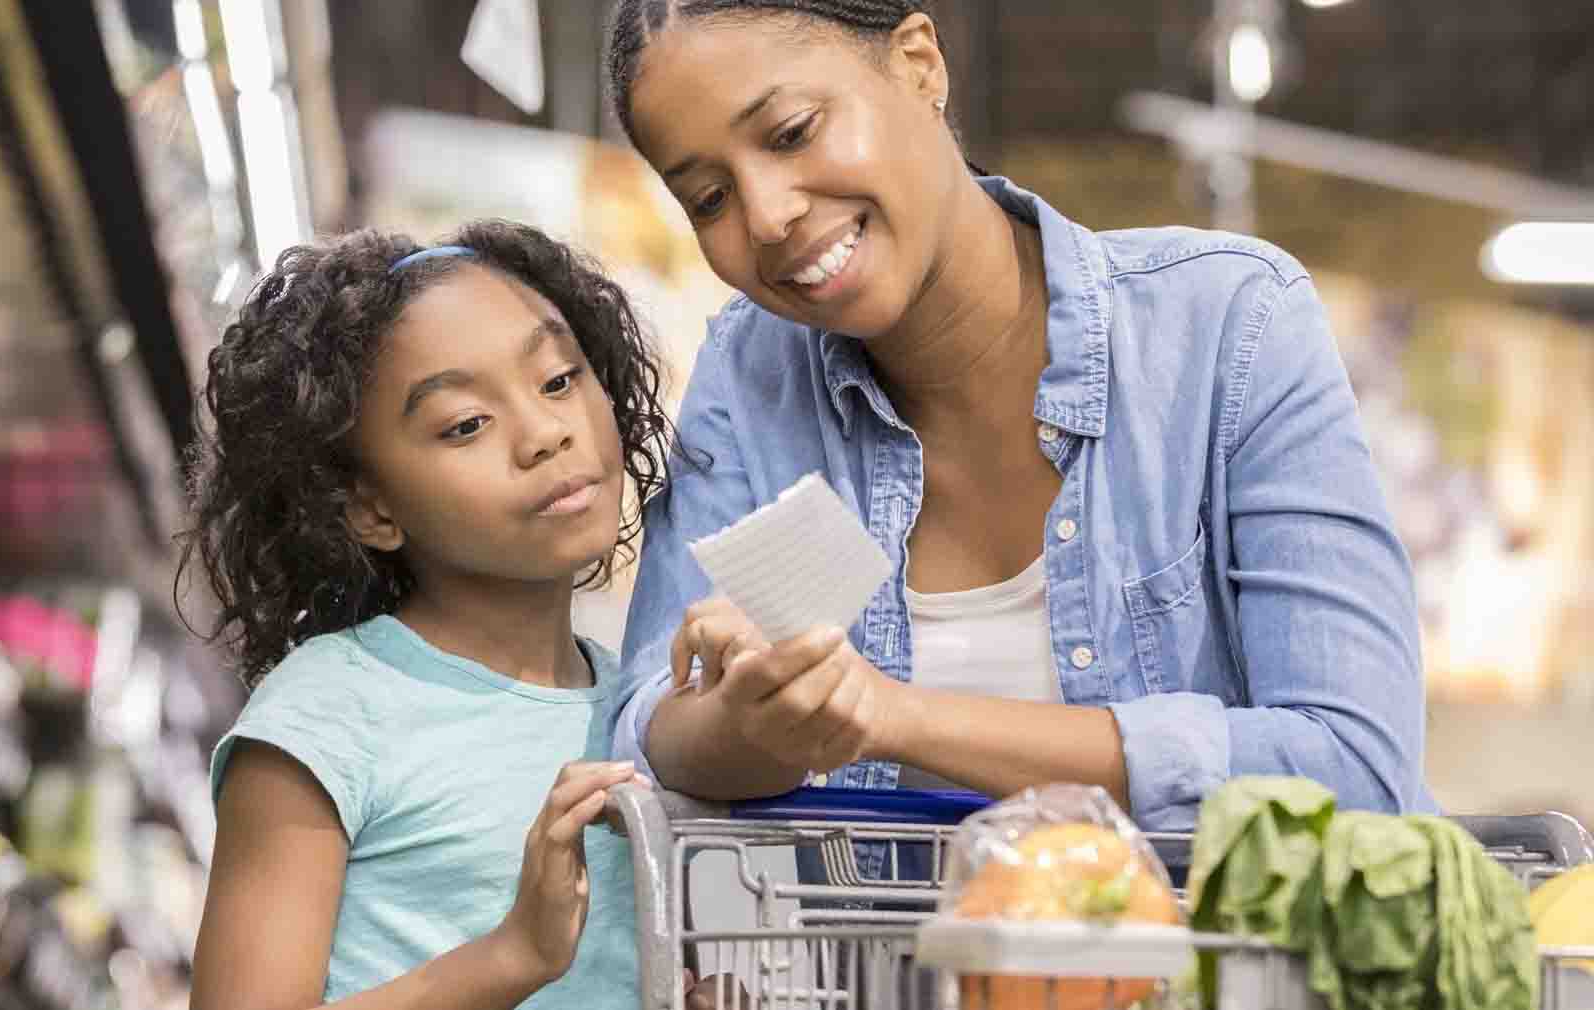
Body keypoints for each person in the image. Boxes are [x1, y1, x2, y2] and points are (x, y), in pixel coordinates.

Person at [599, 0, 1435, 834]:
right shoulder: (752, 377)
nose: (768, 215)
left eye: (790, 133)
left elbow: (1355, 768)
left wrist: (892, 715)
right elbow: (647, 728)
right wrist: (747, 727)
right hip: (876, 969)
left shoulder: (1228, 326)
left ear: (919, 64)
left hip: (1215, 965)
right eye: (709, 198)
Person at [182, 221, 685, 1009]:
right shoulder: (330, 713)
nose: (546, 435)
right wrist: (511, 956)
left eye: (557, 380)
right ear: (370, 508)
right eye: (465, 425)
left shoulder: (640, 708)